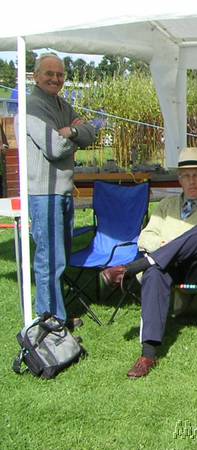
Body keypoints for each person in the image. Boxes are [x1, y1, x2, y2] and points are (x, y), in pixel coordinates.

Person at [101, 147, 197, 379]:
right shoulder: (166, 205)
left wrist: (192, 243)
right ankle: (148, 355)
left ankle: (132, 269)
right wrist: (169, 248)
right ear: (179, 180)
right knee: (154, 273)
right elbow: (145, 237)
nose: (192, 181)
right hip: (168, 267)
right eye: (186, 176)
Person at [21, 53, 96, 328]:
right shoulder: (32, 107)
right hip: (44, 193)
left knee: (60, 257)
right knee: (49, 260)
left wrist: (71, 132)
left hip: (62, 190)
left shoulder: (62, 104)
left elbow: (91, 132)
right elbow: (54, 148)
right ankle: (50, 320)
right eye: (49, 73)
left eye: (60, 74)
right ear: (35, 76)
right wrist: (71, 136)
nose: (55, 79)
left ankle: (57, 314)